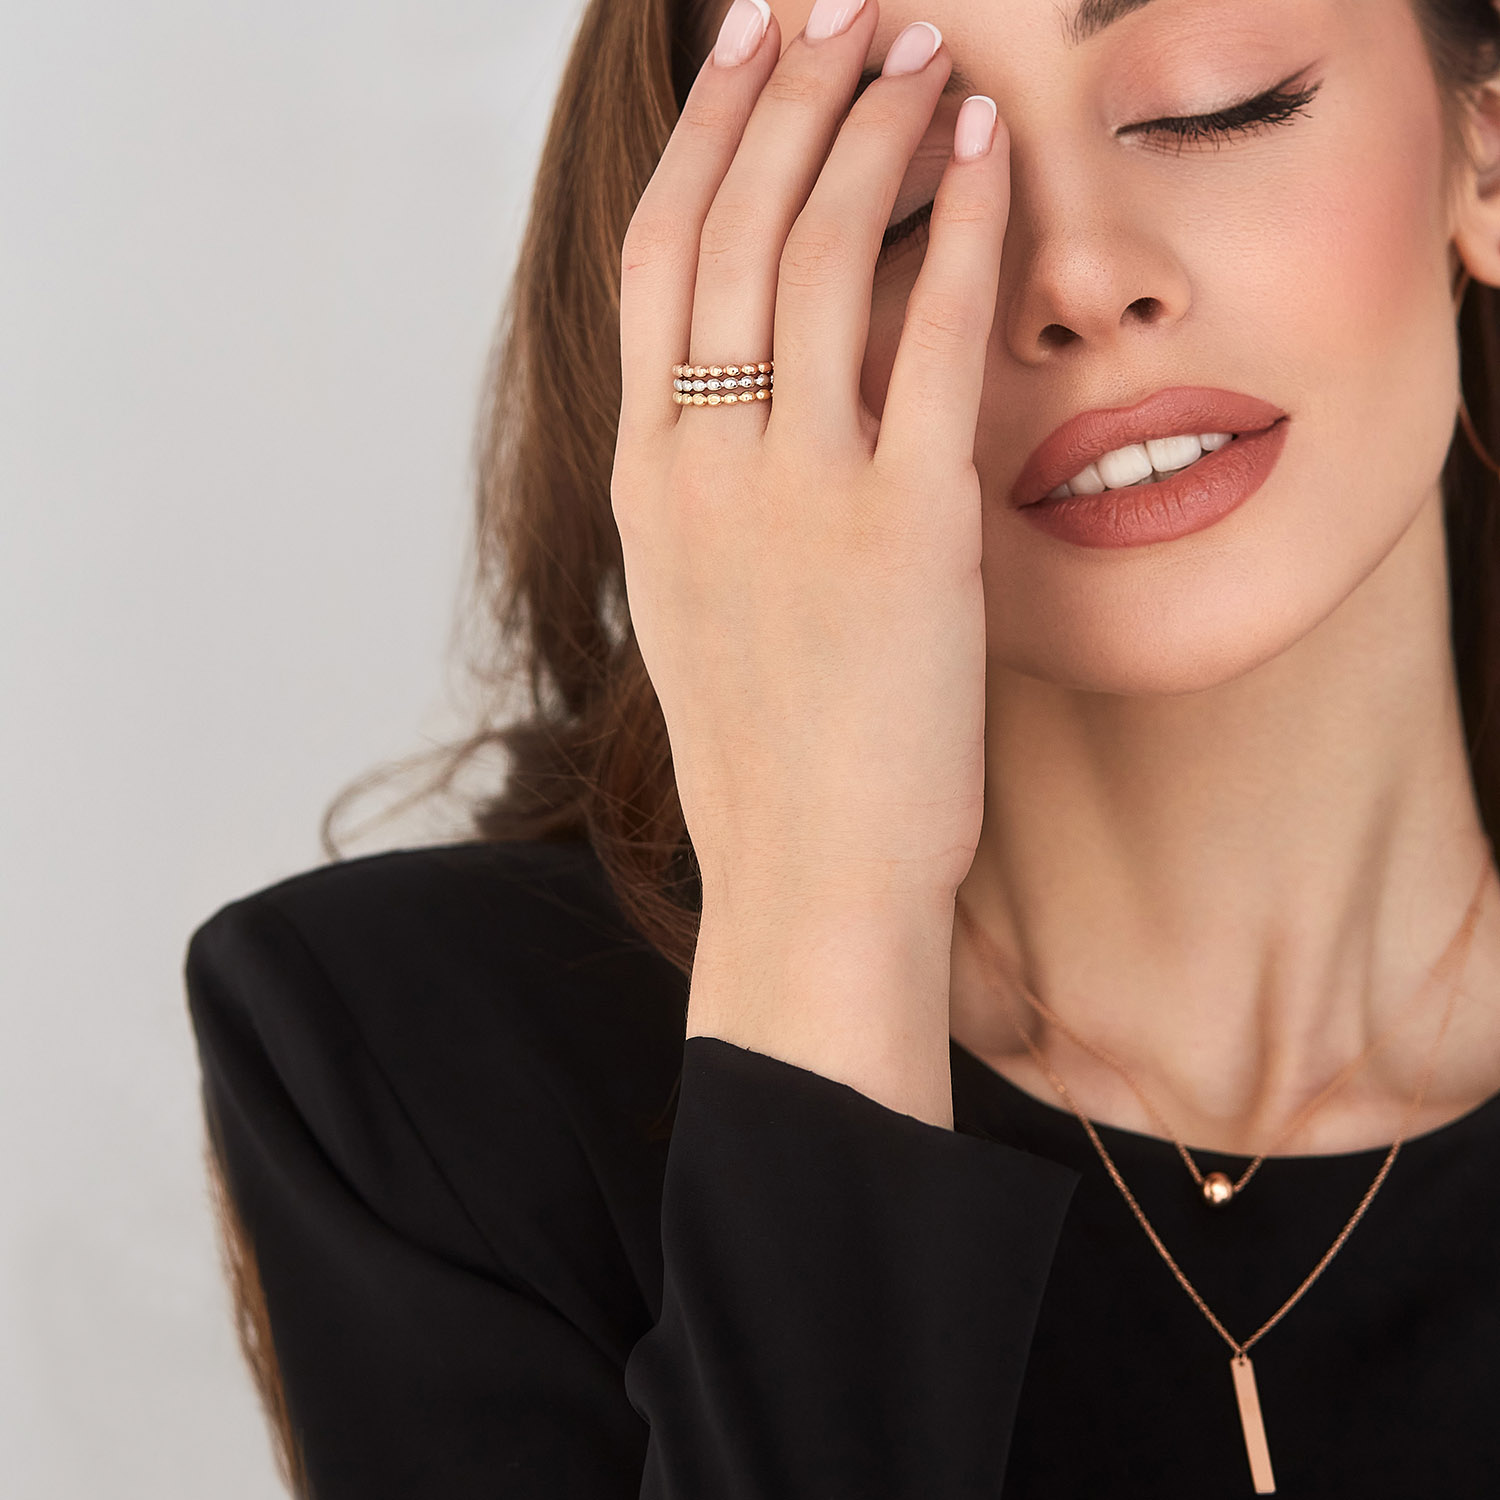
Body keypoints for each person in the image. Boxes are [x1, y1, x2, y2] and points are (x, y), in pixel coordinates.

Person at [183, 0, 1500, 1494]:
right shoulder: (422, 1069)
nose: (1076, 279)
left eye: (1215, 105)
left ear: (1484, 142)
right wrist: (825, 907)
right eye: (902, 201)